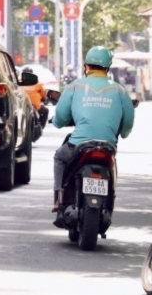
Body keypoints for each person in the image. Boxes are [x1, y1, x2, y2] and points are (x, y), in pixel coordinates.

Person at [52, 46, 136, 212]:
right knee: (113, 167)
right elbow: (128, 123)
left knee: (60, 158)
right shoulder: (119, 90)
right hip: (108, 147)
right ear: (107, 67)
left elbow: (61, 118)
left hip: (78, 146)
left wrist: (56, 122)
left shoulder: (75, 86)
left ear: (86, 66)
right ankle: (109, 200)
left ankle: (58, 198)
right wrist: (124, 134)